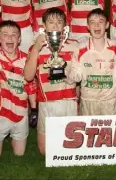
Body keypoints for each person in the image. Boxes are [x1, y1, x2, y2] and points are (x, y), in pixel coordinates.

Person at [0, 6, 37, 159]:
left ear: (20, 39)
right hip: (0, 115)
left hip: (20, 114)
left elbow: (30, 86)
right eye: (5, 35)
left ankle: (14, 136)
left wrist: (34, 109)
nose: (10, 38)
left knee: (19, 154)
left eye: (14, 35)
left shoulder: (26, 59)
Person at [23, 8, 78, 155]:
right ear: (44, 25)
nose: (55, 26)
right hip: (47, 101)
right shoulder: (36, 47)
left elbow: (79, 75)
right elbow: (28, 76)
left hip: (69, 100)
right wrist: (35, 48)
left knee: (71, 148)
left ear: (65, 26)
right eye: (51, 22)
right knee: (44, 151)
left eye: (59, 22)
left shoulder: (74, 45)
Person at [66, 8, 116, 115]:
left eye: (101, 22)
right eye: (92, 22)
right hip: (88, 101)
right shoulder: (80, 48)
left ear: (107, 25)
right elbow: (76, 77)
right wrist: (61, 73)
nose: (96, 25)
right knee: (87, 132)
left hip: (110, 102)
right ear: (87, 26)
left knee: (109, 132)